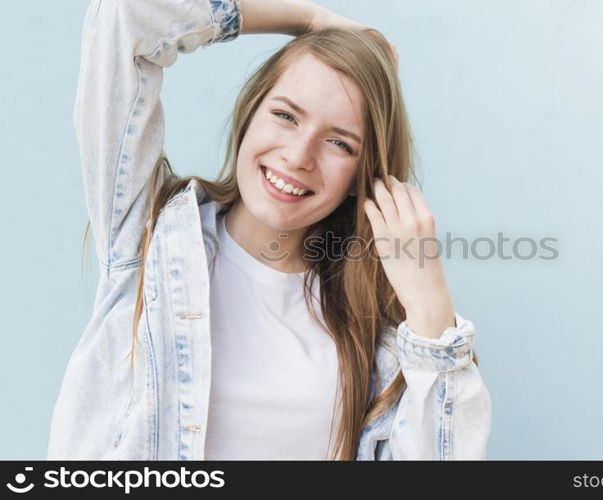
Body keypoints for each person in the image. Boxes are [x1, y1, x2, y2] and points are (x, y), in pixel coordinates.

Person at [48, 0, 491, 460]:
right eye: (285, 115)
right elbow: (126, 15)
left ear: (365, 176)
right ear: (250, 111)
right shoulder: (150, 233)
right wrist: (309, 21)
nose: (299, 155)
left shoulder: (373, 340)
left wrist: (430, 307)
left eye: (339, 142)